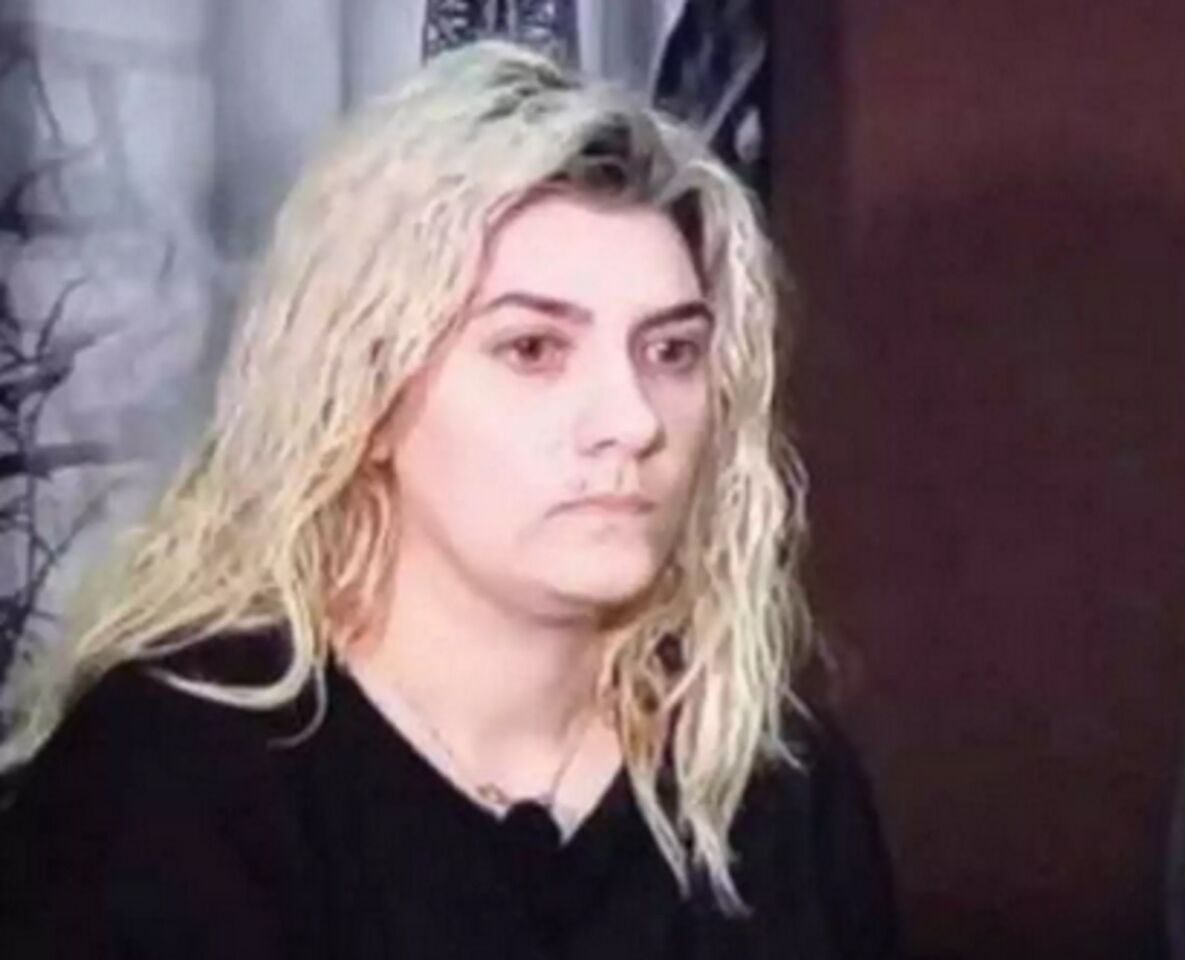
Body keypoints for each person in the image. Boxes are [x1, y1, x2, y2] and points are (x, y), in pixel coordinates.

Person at [0, 41, 898, 959]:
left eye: (671, 353)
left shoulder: (777, 789)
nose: (632, 422)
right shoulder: (172, 777)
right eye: (533, 350)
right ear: (368, 396)